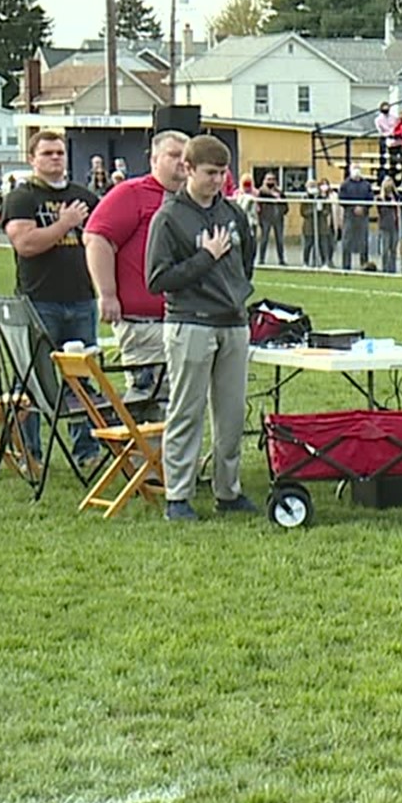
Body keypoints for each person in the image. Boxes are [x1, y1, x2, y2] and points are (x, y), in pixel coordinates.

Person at [144, 135, 258, 521]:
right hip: (189, 323)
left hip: (233, 323)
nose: (217, 180)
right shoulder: (169, 217)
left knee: (231, 413)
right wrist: (204, 259)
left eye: (223, 173)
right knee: (186, 410)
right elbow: (157, 278)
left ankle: (229, 490)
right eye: (210, 173)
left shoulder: (233, 213)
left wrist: (237, 295)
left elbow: (246, 261)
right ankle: (178, 494)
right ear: (188, 169)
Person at [2, 129, 104, 469]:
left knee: (81, 379)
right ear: (32, 159)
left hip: (81, 300)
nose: (55, 158)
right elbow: (26, 244)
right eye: (47, 153)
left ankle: (86, 451)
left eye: (60, 152)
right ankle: (28, 451)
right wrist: (65, 224)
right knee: (32, 378)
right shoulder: (22, 198)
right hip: (39, 301)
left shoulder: (85, 196)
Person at [83, 130, 189, 400]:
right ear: (154, 159)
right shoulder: (132, 193)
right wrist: (107, 294)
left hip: (183, 320)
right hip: (143, 323)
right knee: (152, 401)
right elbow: (97, 239)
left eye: (186, 156)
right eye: (173, 155)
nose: (182, 162)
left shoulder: (193, 200)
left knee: (180, 402)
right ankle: (138, 441)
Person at [338, 166, 374, 270]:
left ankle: (364, 264)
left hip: (363, 216)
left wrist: (363, 208)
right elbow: (342, 199)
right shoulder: (345, 184)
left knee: (363, 241)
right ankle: (346, 265)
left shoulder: (366, 185)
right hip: (349, 215)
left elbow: (370, 199)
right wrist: (353, 207)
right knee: (347, 240)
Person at [255, 172, 287, 264]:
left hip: (278, 219)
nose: (271, 181)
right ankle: (261, 260)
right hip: (266, 218)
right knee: (264, 239)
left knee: (280, 240)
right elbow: (260, 201)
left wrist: (282, 210)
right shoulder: (262, 191)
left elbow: (285, 204)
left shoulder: (280, 191)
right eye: (268, 179)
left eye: (272, 179)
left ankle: (281, 260)